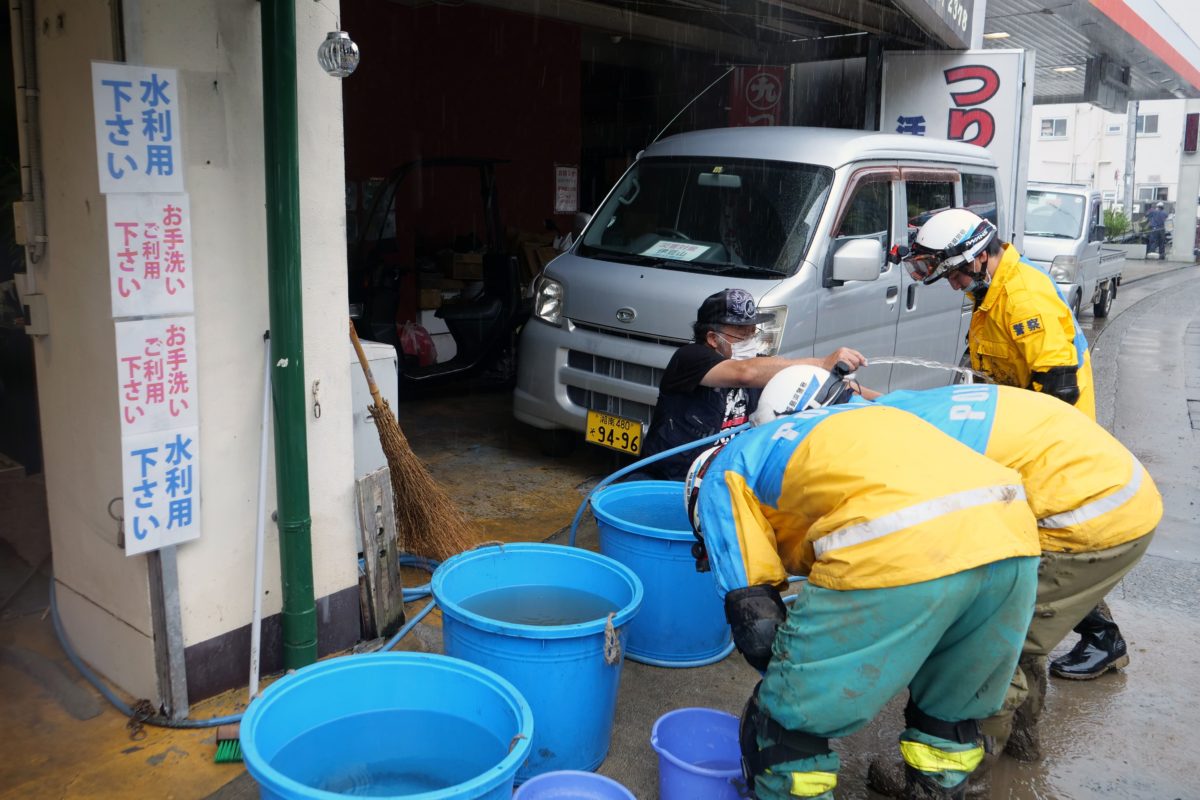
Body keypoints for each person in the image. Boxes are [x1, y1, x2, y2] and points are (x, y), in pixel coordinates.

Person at [686, 366, 1040, 800]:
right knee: (950, 716)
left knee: (783, 721)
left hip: (900, 540)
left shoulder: (725, 471)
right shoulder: (864, 420)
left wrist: (807, 681)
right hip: (1013, 538)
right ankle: (934, 791)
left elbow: (756, 622)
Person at [866, 384, 1162, 795]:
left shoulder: (905, 454)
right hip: (1104, 492)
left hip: (1091, 521)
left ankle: (951, 777)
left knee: (987, 649)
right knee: (1020, 628)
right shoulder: (899, 412)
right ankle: (1020, 741)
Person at [907, 208, 1130, 681]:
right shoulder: (991, 290)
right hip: (1018, 432)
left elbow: (1059, 388)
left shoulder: (1023, 297)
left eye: (954, 275)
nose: (952, 286)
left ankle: (1102, 638)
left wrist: (1015, 449)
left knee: (1040, 547)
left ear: (979, 257)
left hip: (1047, 442)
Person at [639, 287, 871, 480]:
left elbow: (824, 386)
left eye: (752, 333)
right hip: (673, 477)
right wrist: (822, 363)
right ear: (712, 338)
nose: (750, 341)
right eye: (741, 334)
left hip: (724, 476)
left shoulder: (759, 368)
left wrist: (888, 401)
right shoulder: (690, 357)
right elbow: (744, 373)